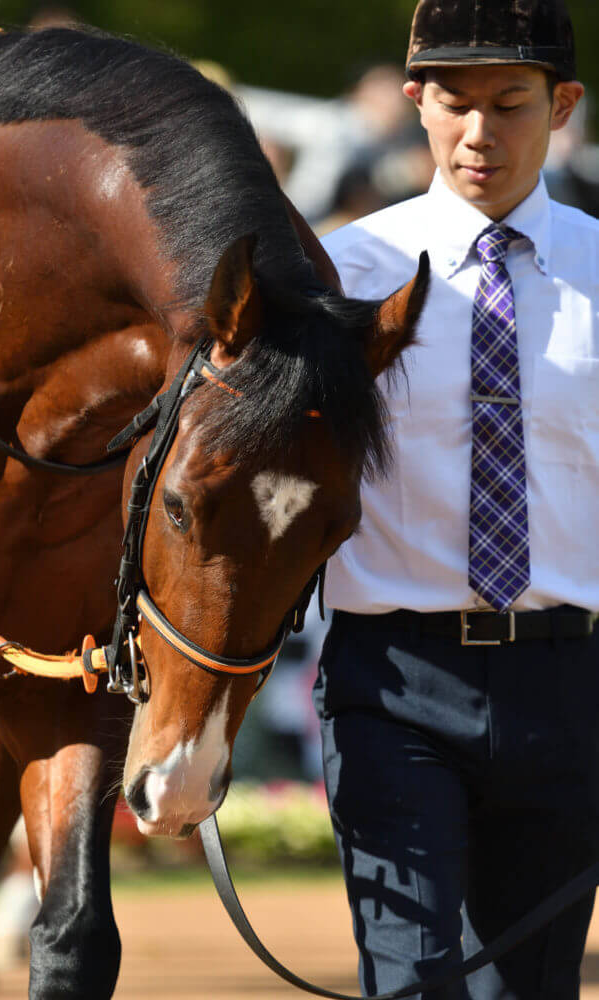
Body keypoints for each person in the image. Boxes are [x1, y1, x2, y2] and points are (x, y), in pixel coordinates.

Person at [315, 0, 598, 997]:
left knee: (529, 988)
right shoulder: (341, 278)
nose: (480, 133)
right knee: (412, 981)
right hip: (390, 684)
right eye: (453, 102)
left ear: (561, 104)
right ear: (413, 104)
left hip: (570, 683)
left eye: (511, 103)